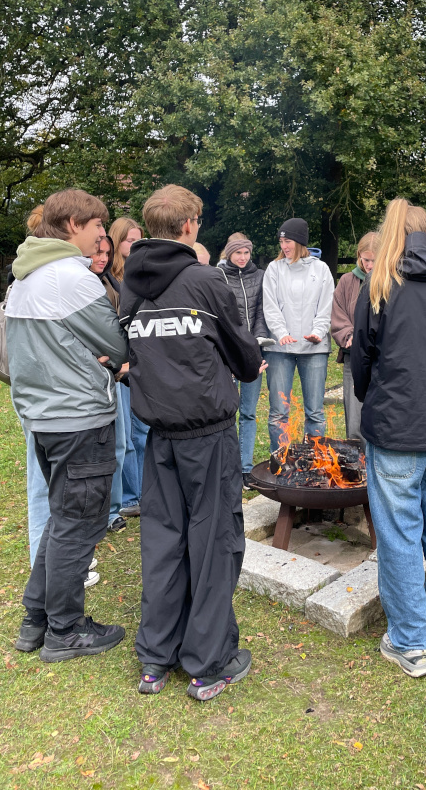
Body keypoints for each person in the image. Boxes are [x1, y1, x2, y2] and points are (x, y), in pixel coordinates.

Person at [120, 185, 263, 700]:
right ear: (188, 226)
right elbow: (247, 361)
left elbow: (125, 356)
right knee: (213, 544)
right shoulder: (207, 281)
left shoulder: (129, 286)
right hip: (206, 438)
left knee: (163, 542)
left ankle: (155, 660)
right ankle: (207, 664)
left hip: (159, 437)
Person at [7, 189, 128, 662]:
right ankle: (65, 629)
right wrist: (112, 358)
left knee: (62, 520)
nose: (104, 235)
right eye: (99, 226)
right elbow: (117, 344)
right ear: (74, 223)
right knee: (80, 525)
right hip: (79, 418)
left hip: (43, 417)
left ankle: (35, 618)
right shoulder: (70, 278)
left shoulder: (26, 275)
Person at [351, 198, 426, 678]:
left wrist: (372, 395)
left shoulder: (382, 284)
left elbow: (361, 358)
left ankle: (412, 640)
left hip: (401, 425)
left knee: (401, 535)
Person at [262, 219, 335, 455]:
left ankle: (315, 461)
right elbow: (270, 306)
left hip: (314, 349)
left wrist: (318, 332)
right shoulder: (274, 269)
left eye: (289, 241)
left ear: (301, 242)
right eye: (281, 241)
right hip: (279, 350)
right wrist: (281, 333)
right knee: (278, 412)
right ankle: (280, 461)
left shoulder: (321, 269)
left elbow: (326, 306)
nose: (284, 246)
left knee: (314, 411)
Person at [216, 233, 271, 485]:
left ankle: (246, 468)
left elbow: (261, 311)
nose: (242, 257)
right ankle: (227, 467)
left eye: (246, 252)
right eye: (238, 252)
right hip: (227, 353)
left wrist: (257, 340)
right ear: (229, 253)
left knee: (248, 412)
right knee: (227, 412)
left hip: (253, 352)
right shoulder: (218, 276)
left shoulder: (259, 276)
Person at [108, 216, 149, 517]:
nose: (133, 246)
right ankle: (129, 497)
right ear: (116, 241)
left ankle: (144, 490)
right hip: (119, 365)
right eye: (128, 240)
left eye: (138, 240)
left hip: (142, 360)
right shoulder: (108, 276)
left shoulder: (140, 273)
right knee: (126, 437)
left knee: (144, 429)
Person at [88, 235, 129, 535]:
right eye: (97, 252)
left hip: (115, 376)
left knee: (121, 445)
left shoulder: (112, 285)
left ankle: (113, 511)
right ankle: (97, 514)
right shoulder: (79, 287)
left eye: (106, 253)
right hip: (90, 381)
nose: (102, 258)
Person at [330, 232, 378, 442]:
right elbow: (338, 313)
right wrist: (350, 335)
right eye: (366, 260)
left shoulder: (391, 281)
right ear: (359, 256)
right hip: (354, 357)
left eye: (374, 260)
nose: (369, 265)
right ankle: (356, 463)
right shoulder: (347, 281)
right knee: (355, 414)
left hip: (380, 359)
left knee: (378, 412)